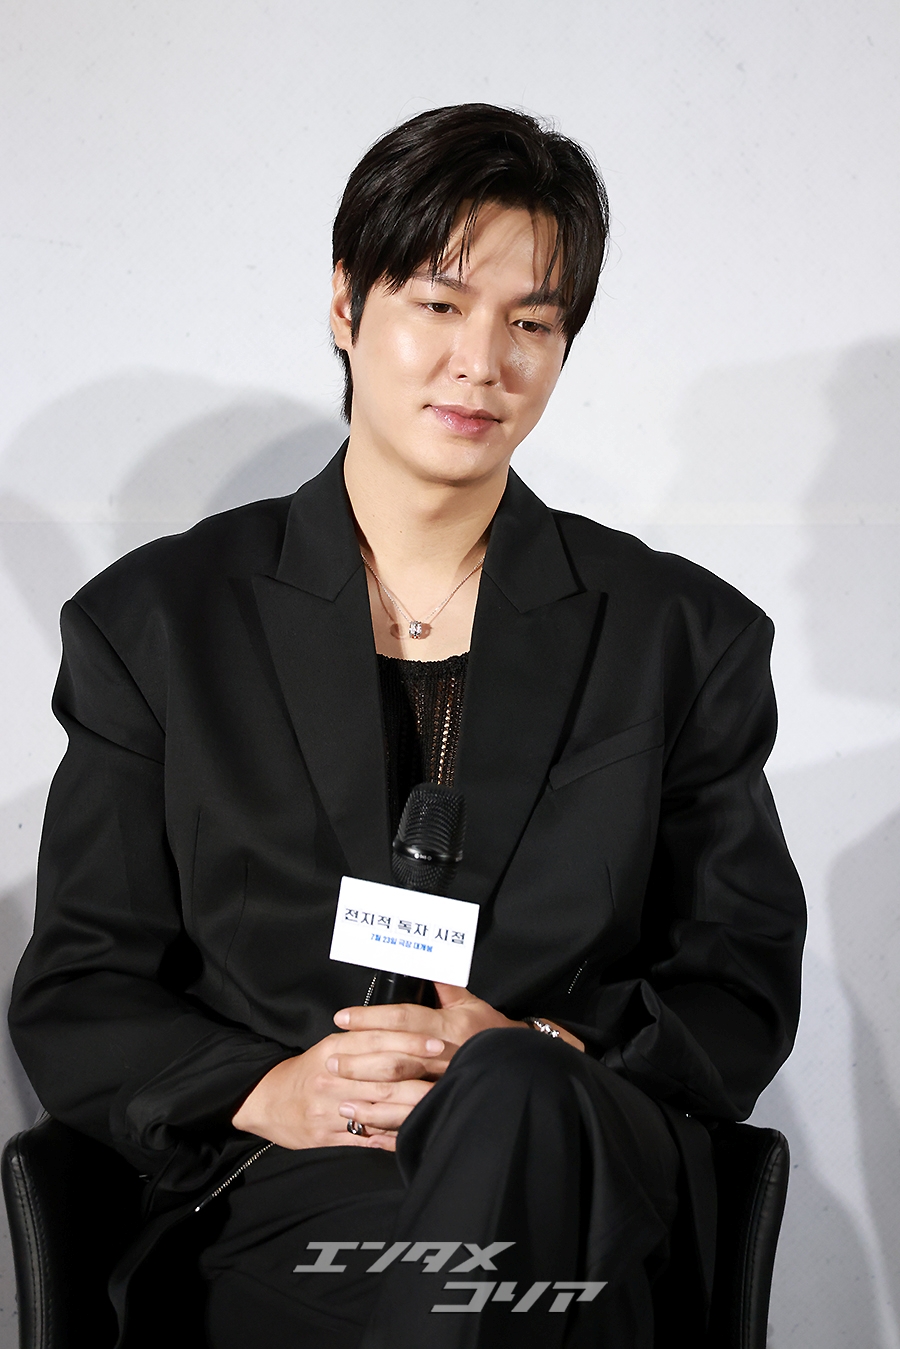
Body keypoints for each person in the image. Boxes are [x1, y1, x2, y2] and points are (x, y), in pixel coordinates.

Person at [8, 104, 805, 1349]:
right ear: (346, 303)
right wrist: (274, 1087)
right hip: (297, 1195)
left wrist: (540, 1044)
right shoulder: (161, 624)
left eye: (531, 323)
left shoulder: (677, 634)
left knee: (518, 1091)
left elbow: (737, 977)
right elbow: (82, 984)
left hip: (588, 1170)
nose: (482, 362)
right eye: (440, 303)